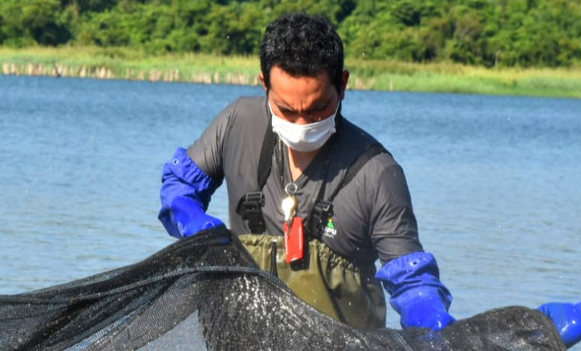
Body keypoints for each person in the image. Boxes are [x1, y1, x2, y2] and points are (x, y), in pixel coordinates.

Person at [157, 12, 456, 331]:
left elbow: (411, 282)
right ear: (264, 83)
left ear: (342, 85)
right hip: (245, 335)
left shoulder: (378, 174)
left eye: (317, 110)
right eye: (286, 110)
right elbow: (179, 186)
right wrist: (196, 226)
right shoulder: (237, 123)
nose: (301, 124)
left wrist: (434, 326)